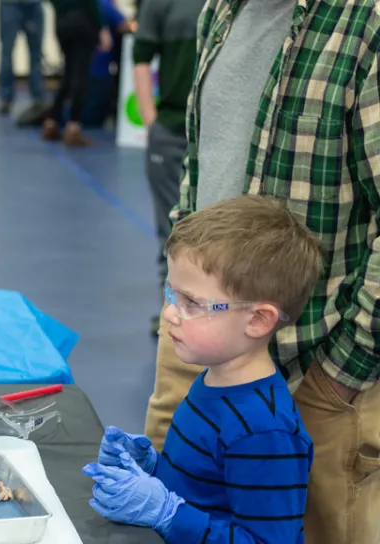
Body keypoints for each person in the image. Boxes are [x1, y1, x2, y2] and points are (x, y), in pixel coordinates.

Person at [143, 0, 380, 541]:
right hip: (201, 337)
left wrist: (344, 372)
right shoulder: (219, 11)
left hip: (319, 358)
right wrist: (183, 300)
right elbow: (201, 159)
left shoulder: (365, 21)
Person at [84, 195, 322, 543]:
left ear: (257, 320)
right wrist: (154, 468)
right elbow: (207, 489)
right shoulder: (215, 379)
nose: (169, 313)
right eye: (172, 294)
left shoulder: (264, 432)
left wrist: (167, 513)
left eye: (192, 303)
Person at [131, 0, 203, 336]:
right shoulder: (158, 4)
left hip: (215, 134)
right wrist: (151, 121)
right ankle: (172, 309)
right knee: (171, 229)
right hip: (171, 132)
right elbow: (141, 59)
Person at [40, 0, 112, 146]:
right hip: (83, 22)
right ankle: (74, 126)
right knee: (82, 74)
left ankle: (52, 121)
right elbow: (93, 4)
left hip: (62, 23)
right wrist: (102, 27)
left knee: (68, 73)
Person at [0, 0, 47, 115]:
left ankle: (38, 97)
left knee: (36, 54)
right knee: (7, 52)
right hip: (10, 4)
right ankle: (6, 97)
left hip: (33, 4)